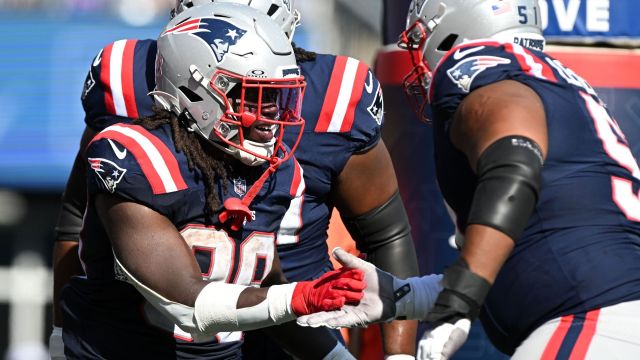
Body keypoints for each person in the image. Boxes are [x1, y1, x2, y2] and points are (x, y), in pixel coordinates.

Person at [51, 0, 421, 358]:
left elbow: (384, 235)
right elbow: (78, 220)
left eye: (281, 96)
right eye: (254, 96)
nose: (273, 116)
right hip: (145, 336)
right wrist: (58, 331)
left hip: (280, 329)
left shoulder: (283, 164)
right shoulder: (132, 147)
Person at [297, 0, 640, 359]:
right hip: (606, 313)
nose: (419, 54)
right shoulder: (556, 81)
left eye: (420, 36)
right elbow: (527, 249)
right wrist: (407, 296)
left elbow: (515, 164)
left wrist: (459, 303)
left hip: (588, 319)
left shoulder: (476, 63)